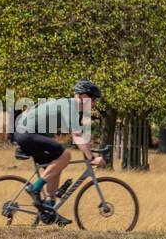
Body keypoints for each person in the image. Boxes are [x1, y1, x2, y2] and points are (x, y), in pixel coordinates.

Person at [13, 80, 104, 209]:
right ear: (84, 97)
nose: (95, 103)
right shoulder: (70, 105)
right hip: (27, 133)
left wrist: (89, 152)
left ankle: (50, 207)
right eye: (94, 99)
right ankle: (35, 188)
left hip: (27, 133)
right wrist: (92, 158)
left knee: (56, 166)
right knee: (65, 155)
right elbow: (77, 135)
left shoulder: (70, 105)